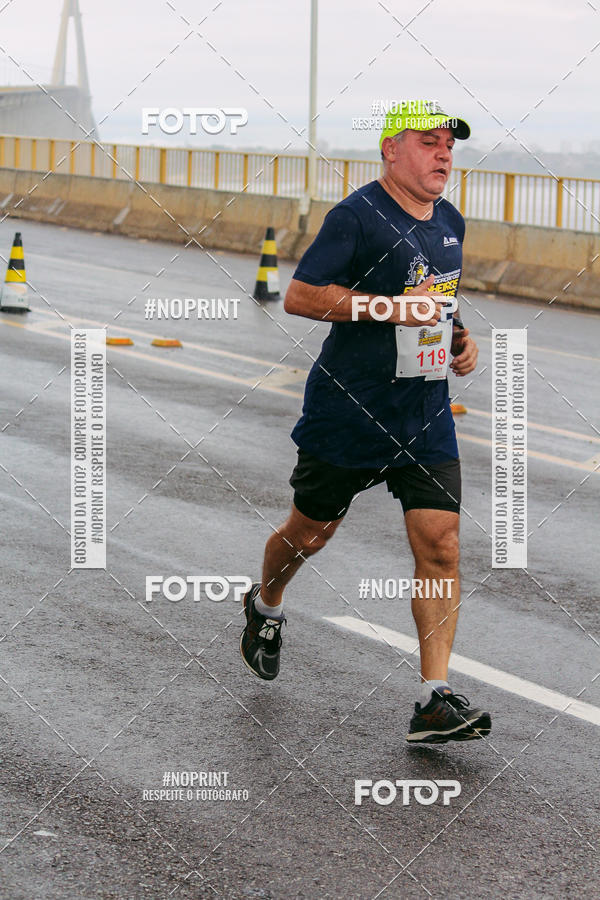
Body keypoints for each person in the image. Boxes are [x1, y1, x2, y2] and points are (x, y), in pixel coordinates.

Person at [240, 101, 491, 744]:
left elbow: (433, 302)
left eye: (449, 146)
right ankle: (265, 603)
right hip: (349, 412)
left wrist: (459, 337)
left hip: (424, 415)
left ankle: (433, 698)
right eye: (428, 142)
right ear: (390, 150)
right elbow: (300, 296)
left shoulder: (450, 221)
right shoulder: (356, 216)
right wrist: (390, 308)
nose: (443, 155)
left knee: (441, 546)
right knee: (310, 532)